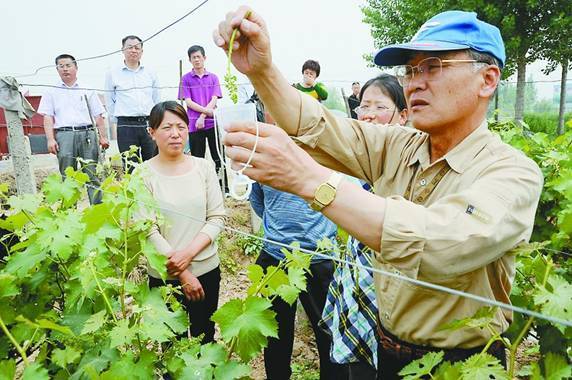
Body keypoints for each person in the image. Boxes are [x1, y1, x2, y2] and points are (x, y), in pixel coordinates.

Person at [214, 8, 543, 379]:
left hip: (464, 365)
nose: (414, 82)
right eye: (411, 70)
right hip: (385, 350)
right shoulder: (400, 146)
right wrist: (262, 71)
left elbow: (440, 243)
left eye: (432, 66)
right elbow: (317, 127)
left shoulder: (512, 172)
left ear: (487, 79)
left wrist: (308, 179)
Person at [320, 74, 408, 379]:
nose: (368, 113)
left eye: (379, 106)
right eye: (363, 106)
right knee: (357, 366)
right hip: (357, 280)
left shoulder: (410, 167)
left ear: (403, 116)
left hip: (393, 290)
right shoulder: (356, 161)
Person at [139, 101, 225, 344]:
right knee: (170, 344)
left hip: (206, 270)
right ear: (152, 132)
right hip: (164, 277)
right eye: (167, 128)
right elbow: (147, 230)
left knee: (204, 338)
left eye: (181, 126)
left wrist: (188, 254)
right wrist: (184, 273)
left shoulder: (204, 167)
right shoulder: (142, 175)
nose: (175, 134)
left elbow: (216, 217)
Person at [250, 183, 339, 380]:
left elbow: (347, 199)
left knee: (328, 333)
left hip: (318, 257)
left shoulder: (328, 158)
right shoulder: (268, 158)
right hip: (275, 257)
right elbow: (257, 199)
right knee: (275, 332)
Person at [38, 54, 109, 205]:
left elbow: (98, 115)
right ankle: (69, 212)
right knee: (67, 176)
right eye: (61, 66)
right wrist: (50, 139)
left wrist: (103, 137)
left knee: (92, 174)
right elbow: (48, 117)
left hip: (88, 134)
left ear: (76, 67)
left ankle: (97, 210)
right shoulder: (51, 91)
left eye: (68, 65)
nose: (65, 69)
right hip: (65, 135)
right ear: (57, 69)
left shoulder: (87, 88)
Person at [105, 35, 160, 169]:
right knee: (130, 166)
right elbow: (109, 99)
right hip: (125, 126)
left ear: (142, 51)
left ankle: (153, 190)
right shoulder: (113, 73)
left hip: (148, 124)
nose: (133, 50)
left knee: (153, 163)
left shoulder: (150, 72)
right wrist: (116, 120)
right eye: (130, 47)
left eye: (137, 48)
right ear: (122, 50)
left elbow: (156, 98)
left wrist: (156, 121)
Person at [178, 45, 223, 174]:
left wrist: (203, 116)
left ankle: (223, 186)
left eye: (199, 57)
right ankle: (201, 185)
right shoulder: (185, 79)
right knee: (198, 158)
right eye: (193, 57)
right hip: (194, 124)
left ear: (204, 58)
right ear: (190, 60)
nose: (196, 60)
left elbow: (214, 98)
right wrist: (205, 113)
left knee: (218, 156)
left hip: (212, 122)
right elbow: (188, 101)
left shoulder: (213, 77)